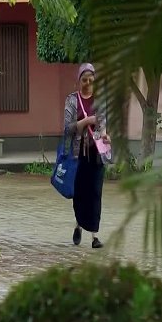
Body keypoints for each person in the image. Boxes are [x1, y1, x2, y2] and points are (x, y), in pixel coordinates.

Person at [63, 63, 112, 248]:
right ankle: (78, 225)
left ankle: (94, 236)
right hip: (78, 155)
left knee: (95, 193)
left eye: (91, 80)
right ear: (79, 80)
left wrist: (105, 135)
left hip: (97, 153)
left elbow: (102, 124)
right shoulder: (72, 100)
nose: (88, 83)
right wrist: (85, 121)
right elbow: (67, 129)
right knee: (80, 194)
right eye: (85, 80)